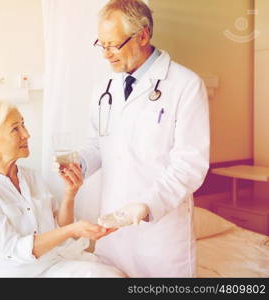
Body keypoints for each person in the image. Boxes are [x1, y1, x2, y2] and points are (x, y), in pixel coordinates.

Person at [63, 0, 210, 277]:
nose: (106, 54)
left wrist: (146, 205)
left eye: (113, 45)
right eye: (101, 44)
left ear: (142, 36)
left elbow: (191, 165)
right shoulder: (104, 88)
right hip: (113, 227)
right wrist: (78, 164)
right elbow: (98, 144)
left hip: (160, 233)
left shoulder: (185, 85)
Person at [0, 100, 125, 277]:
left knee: (111, 276)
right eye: (15, 129)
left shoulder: (32, 177)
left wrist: (70, 193)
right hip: (6, 274)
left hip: (49, 266)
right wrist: (72, 229)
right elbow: (13, 250)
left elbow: (60, 230)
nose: (26, 134)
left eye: (23, 125)